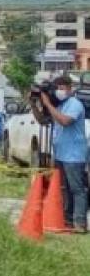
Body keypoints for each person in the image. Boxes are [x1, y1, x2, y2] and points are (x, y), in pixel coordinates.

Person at [41, 75, 88, 233]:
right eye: (57, 88)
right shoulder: (59, 104)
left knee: (77, 189)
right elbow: (42, 120)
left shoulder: (75, 104)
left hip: (74, 155)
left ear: (70, 88)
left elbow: (64, 121)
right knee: (64, 189)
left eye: (62, 87)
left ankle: (80, 223)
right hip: (61, 154)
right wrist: (35, 104)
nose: (60, 91)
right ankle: (68, 221)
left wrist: (48, 103)